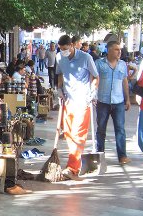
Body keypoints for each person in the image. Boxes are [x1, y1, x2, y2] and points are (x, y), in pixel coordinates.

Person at [55, 34, 99, 180]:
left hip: (82, 101)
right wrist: (59, 89)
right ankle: (74, 162)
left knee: (78, 135)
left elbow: (95, 76)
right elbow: (60, 74)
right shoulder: (59, 58)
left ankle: (72, 167)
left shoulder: (86, 58)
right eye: (61, 49)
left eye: (66, 49)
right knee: (68, 134)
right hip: (68, 101)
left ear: (72, 45)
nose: (64, 52)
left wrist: (92, 93)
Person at [95, 40, 130, 164]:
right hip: (102, 101)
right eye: (116, 49)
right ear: (109, 50)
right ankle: (100, 154)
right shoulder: (99, 63)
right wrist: (93, 96)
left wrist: (128, 99)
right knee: (101, 129)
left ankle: (122, 156)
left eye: (120, 49)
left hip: (118, 102)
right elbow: (94, 81)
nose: (119, 52)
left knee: (120, 129)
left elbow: (124, 81)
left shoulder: (122, 65)